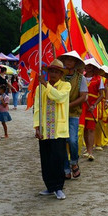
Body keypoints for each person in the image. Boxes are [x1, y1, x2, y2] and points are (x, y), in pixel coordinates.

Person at [33, 59, 71, 200]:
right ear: (48, 72)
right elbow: (37, 107)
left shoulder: (65, 86)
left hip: (58, 129)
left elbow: (59, 97)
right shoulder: (39, 88)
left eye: (56, 71)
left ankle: (58, 187)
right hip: (45, 128)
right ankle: (49, 186)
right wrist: (37, 126)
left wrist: (45, 84)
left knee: (58, 158)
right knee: (46, 158)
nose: (53, 74)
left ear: (61, 74)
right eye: (51, 71)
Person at [59, 50, 85, 179]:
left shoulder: (81, 78)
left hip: (73, 113)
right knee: (62, 141)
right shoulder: (58, 76)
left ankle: (74, 162)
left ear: (75, 63)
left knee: (72, 140)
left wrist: (69, 105)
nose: (69, 62)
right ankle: (65, 168)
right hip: (59, 114)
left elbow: (84, 97)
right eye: (67, 59)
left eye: (72, 60)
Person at [82, 59, 105, 161]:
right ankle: (87, 149)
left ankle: (91, 151)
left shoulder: (99, 79)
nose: (89, 67)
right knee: (84, 129)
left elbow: (101, 95)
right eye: (87, 65)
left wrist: (95, 104)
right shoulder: (81, 78)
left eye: (91, 66)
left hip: (92, 106)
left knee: (91, 129)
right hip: (82, 105)